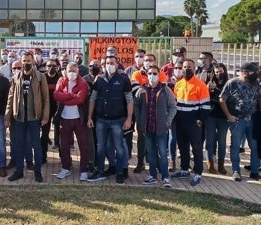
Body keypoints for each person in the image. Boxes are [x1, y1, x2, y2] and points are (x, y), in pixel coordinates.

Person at [87, 55, 133, 184]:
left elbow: (130, 100)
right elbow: (93, 99)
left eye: (112, 63)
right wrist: (89, 117)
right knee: (101, 147)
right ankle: (100, 171)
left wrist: (129, 119)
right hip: (101, 120)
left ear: (117, 65)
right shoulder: (99, 79)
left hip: (118, 120)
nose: (109, 65)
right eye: (107, 63)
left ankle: (120, 172)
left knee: (119, 147)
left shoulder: (124, 80)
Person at [5, 51, 49, 182]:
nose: (26, 63)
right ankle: (19, 171)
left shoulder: (40, 77)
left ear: (33, 62)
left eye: (28, 61)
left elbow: (46, 99)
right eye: (24, 61)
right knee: (18, 145)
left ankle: (37, 172)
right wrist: (7, 117)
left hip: (34, 118)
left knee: (36, 145)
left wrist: (45, 117)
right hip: (18, 118)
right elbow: (10, 97)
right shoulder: (16, 77)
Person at [219, 62, 261, 182]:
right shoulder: (233, 83)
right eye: (253, 72)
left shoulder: (257, 84)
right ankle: (236, 171)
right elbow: (222, 99)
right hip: (237, 120)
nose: (256, 74)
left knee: (254, 146)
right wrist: (229, 116)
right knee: (235, 146)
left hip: (253, 120)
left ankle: (255, 171)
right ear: (245, 72)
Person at [134, 65, 177, 188]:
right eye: (150, 73)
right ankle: (152, 175)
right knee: (151, 153)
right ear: (147, 75)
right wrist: (139, 119)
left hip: (161, 128)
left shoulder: (165, 90)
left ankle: (165, 177)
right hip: (147, 128)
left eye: (154, 73)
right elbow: (136, 105)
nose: (152, 76)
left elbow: (173, 107)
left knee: (163, 153)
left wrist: (168, 121)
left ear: (159, 75)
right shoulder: (141, 90)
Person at [171, 59, 210, 186]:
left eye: (189, 67)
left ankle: (198, 172)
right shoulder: (178, 84)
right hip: (180, 122)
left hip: (194, 123)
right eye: (184, 66)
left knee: (196, 148)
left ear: (194, 69)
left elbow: (205, 106)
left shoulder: (200, 85)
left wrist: (199, 121)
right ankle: (184, 169)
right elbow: (174, 103)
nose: (186, 69)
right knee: (182, 147)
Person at [53, 62, 90, 181]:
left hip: (79, 119)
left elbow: (80, 99)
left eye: (74, 71)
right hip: (64, 118)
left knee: (83, 145)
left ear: (78, 71)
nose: (72, 73)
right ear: (66, 70)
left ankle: (84, 169)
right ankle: (66, 167)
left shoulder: (82, 83)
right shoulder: (62, 81)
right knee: (64, 145)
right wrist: (71, 95)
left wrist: (66, 99)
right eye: (70, 70)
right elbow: (56, 95)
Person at [205, 63, 229, 175]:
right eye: (217, 72)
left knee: (222, 142)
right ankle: (210, 163)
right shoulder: (210, 83)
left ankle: (221, 164)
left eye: (221, 71)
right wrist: (208, 89)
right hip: (211, 116)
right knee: (209, 141)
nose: (219, 73)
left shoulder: (228, 84)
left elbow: (228, 98)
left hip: (223, 116)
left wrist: (216, 89)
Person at [43, 59, 61, 156]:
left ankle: (63, 157)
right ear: (46, 67)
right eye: (49, 66)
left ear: (57, 67)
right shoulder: (42, 78)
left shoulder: (61, 78)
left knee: (60, 133)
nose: (51, 68)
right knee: (44, 134)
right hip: (45, 109)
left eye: (54, 66)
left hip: (58, 109)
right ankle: (43, 156)